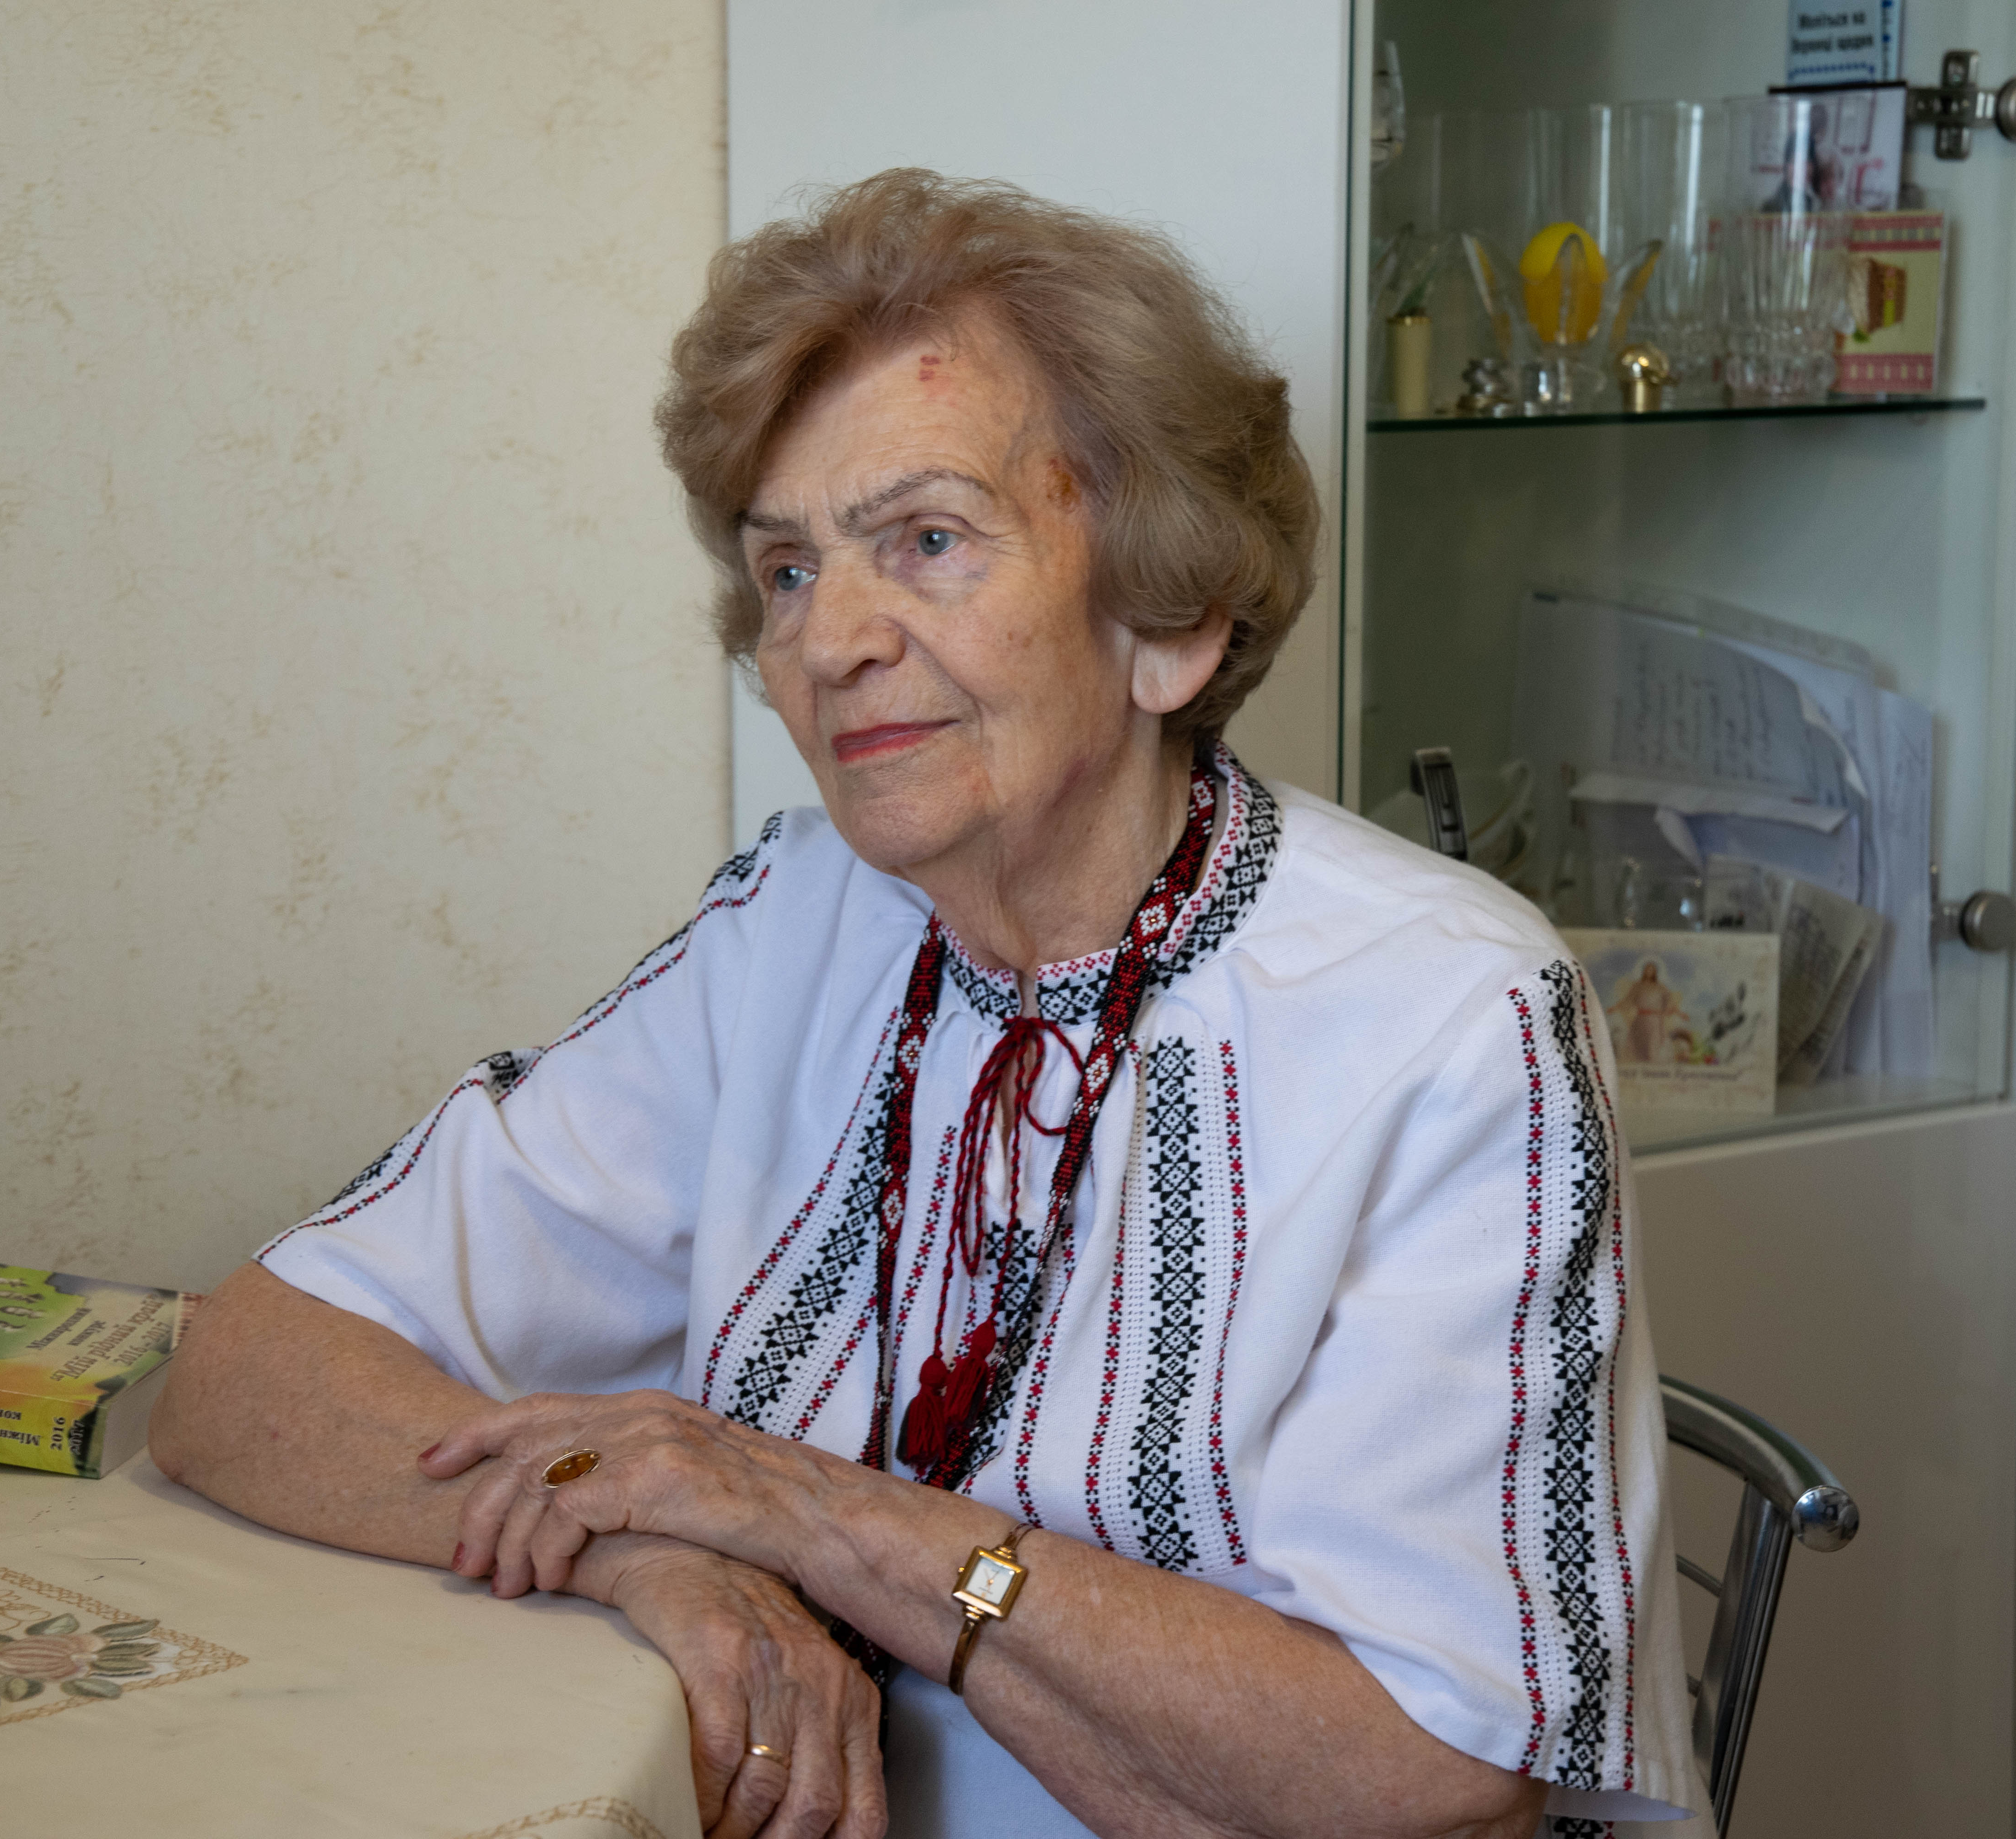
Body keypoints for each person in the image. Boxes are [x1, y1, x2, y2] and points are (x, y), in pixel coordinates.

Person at [150, 169, 1697, 1839]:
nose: (829, 641)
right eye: (787, 570)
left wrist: (814, 1518)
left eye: (928, 542)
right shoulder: (793, 922)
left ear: (1169, 618)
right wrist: (646, 1548)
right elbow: (246, 1366)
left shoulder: (1451, 1018)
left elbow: (1434, 1774)